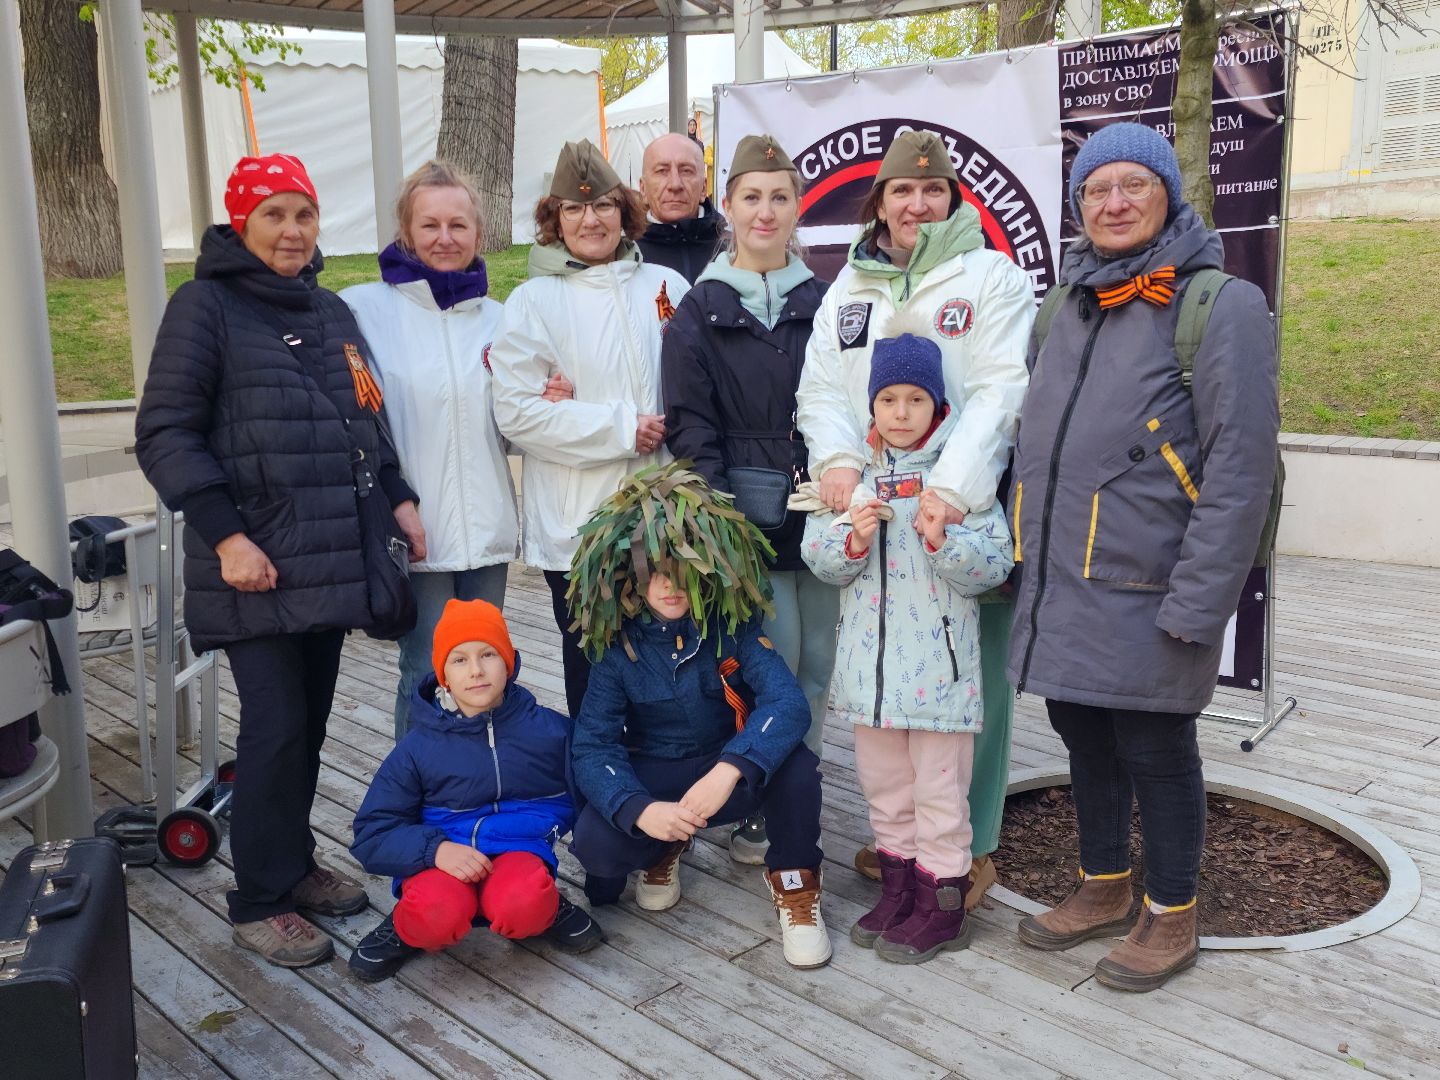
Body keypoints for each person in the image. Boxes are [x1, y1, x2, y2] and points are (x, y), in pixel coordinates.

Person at [135, 153, 425, 967]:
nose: (293, 231)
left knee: (309, 726)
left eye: (303, 214)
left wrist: (398, 493)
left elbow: (366, 417)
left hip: (329, 559)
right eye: (273, 215)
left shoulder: (329, 310)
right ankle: (258, 897)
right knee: (273, 729)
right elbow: (164, 432)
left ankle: (291, 866)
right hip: (252, 563)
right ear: (239, 224)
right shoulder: (205, 307)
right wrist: (227, 536)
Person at [1008, 122, 1279, 992]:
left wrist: (1201, 605)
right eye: (1096, 190)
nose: (1114, 203)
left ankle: (1172, 911)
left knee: (1156, 748)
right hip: (1066, 582)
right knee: (1082, 732)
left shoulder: (1219, 305)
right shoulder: (1066, 303)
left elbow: (1243, 471)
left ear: (1167, 194)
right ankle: (1102, 883)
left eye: (1133, 185)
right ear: (1080, 205)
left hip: (1154, 586)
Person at [795, 129, 1032, 908]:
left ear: (955, 198)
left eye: (933, 191)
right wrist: (837, 464)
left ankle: (970, 848)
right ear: (881, 200)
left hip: (954, 514)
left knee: (966, 689)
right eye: (902, 191)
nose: (917, 204)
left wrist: (952, 492)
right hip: (872, 509)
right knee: (891, 684)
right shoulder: (849, 287)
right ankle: (908, 852)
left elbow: (1000, 390)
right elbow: (825, 388)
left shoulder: (990, 276)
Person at [802, 323, 1013, 963]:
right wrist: (854, 539)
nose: (900, 413)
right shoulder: (852, 475)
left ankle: (942, 904)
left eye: (915, 400)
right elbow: (820, 557)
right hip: (871, 678)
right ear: (871, 405)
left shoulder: (959, 476)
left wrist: (944, 540)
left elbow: (995, 564)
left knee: (938, 794)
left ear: (936, 405)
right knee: (885, 787)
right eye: (888, 399)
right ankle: (899, 890)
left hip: (939, 678)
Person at [567, 463, 833, 970]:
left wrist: (732, 768)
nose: (670, 587)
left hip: (724, 767)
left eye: (684, 573)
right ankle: (661, 849)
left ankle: (795, 885)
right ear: (632, 576)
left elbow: (787, 703)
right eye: (656, 573)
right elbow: (592, 746)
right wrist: (643, 810)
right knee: (596, 847)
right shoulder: (616, 646)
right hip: (659, 773)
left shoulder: (730, 627)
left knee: (797, 768)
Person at [343, 161, 571, 737]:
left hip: (486, 531)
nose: (445, 239)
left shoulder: (502, 319)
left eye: (458, 225)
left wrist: (550, 403)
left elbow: (512, 429)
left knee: (485, 669)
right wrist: (393, 500)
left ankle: (475, 791)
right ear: (405, 231)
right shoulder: (363, 311)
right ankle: (414, 795)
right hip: (413, 527)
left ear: (478, 232)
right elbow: (357, 423)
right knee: (426, 668)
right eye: (430, 225)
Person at [662, 133, 838, 867]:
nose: (765, 212)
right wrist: (723, 514)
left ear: (797, 209)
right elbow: (689, 421)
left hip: (821, 509)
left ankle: (800, 787)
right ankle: (758, 794)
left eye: (779, 197)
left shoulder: (826, 301)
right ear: (727, 205)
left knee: (821, 662)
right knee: (772, 661)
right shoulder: (699, 310)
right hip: (743, 520)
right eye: (750, 197)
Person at [490, 139, 689, 718]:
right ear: (555, 220)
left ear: (623, 211)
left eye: (602, 205)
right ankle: (600, 798)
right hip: (578, 532)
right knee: (595, 673)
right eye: (573, 209)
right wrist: (620, 427)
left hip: (662, 519)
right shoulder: (531, 302)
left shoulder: (667, 288)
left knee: (665, 661)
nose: (590, 219)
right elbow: (518, 412)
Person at [347, 600, 603, 982]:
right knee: (435, 914)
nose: (477, 671)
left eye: (488, 654)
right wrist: (435, 850)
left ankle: (546, 903)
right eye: (459, 660)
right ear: (443, 674)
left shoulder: (551, 731)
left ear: (509, 662)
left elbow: (587, 792)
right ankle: (405, 926)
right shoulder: (417, 748)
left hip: (519, 850)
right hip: (441, 856)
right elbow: (372, 833)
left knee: (524, 903)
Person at [636, 132, 727, 282]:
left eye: (686, 171)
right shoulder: (626, 258)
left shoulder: (734, 253)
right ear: (643, 189)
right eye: (662, 171)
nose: (675, 184)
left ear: (704, 188)